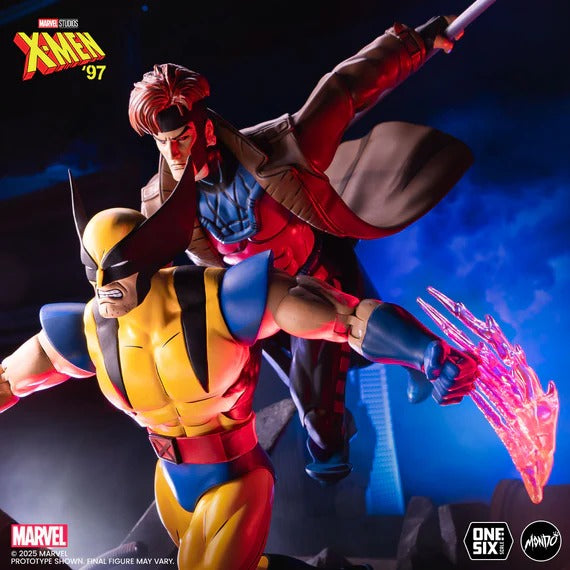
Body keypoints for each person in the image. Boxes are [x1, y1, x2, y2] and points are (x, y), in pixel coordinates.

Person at [0, 163, 476, 570]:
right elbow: (8, 379)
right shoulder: (85, 330)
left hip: (237, 479)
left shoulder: (220, 299)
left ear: (148, 255)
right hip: (170, 486)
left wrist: (427, 354)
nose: (104, 285)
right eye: (94, 270)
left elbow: (346, 316)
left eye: (116, 268)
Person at [128, 15, 473, 483]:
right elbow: (145, 274)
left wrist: (418, 41)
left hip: (316, 272)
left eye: (181, 138)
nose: (172, 154)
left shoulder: (278, 149)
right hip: (260, 307)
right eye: (162, 142)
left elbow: (344, 90)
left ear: (205, 129)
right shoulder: (160, 202)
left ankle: (425, 359)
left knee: (348, 341)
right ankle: (383, 385)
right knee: (322, 431)